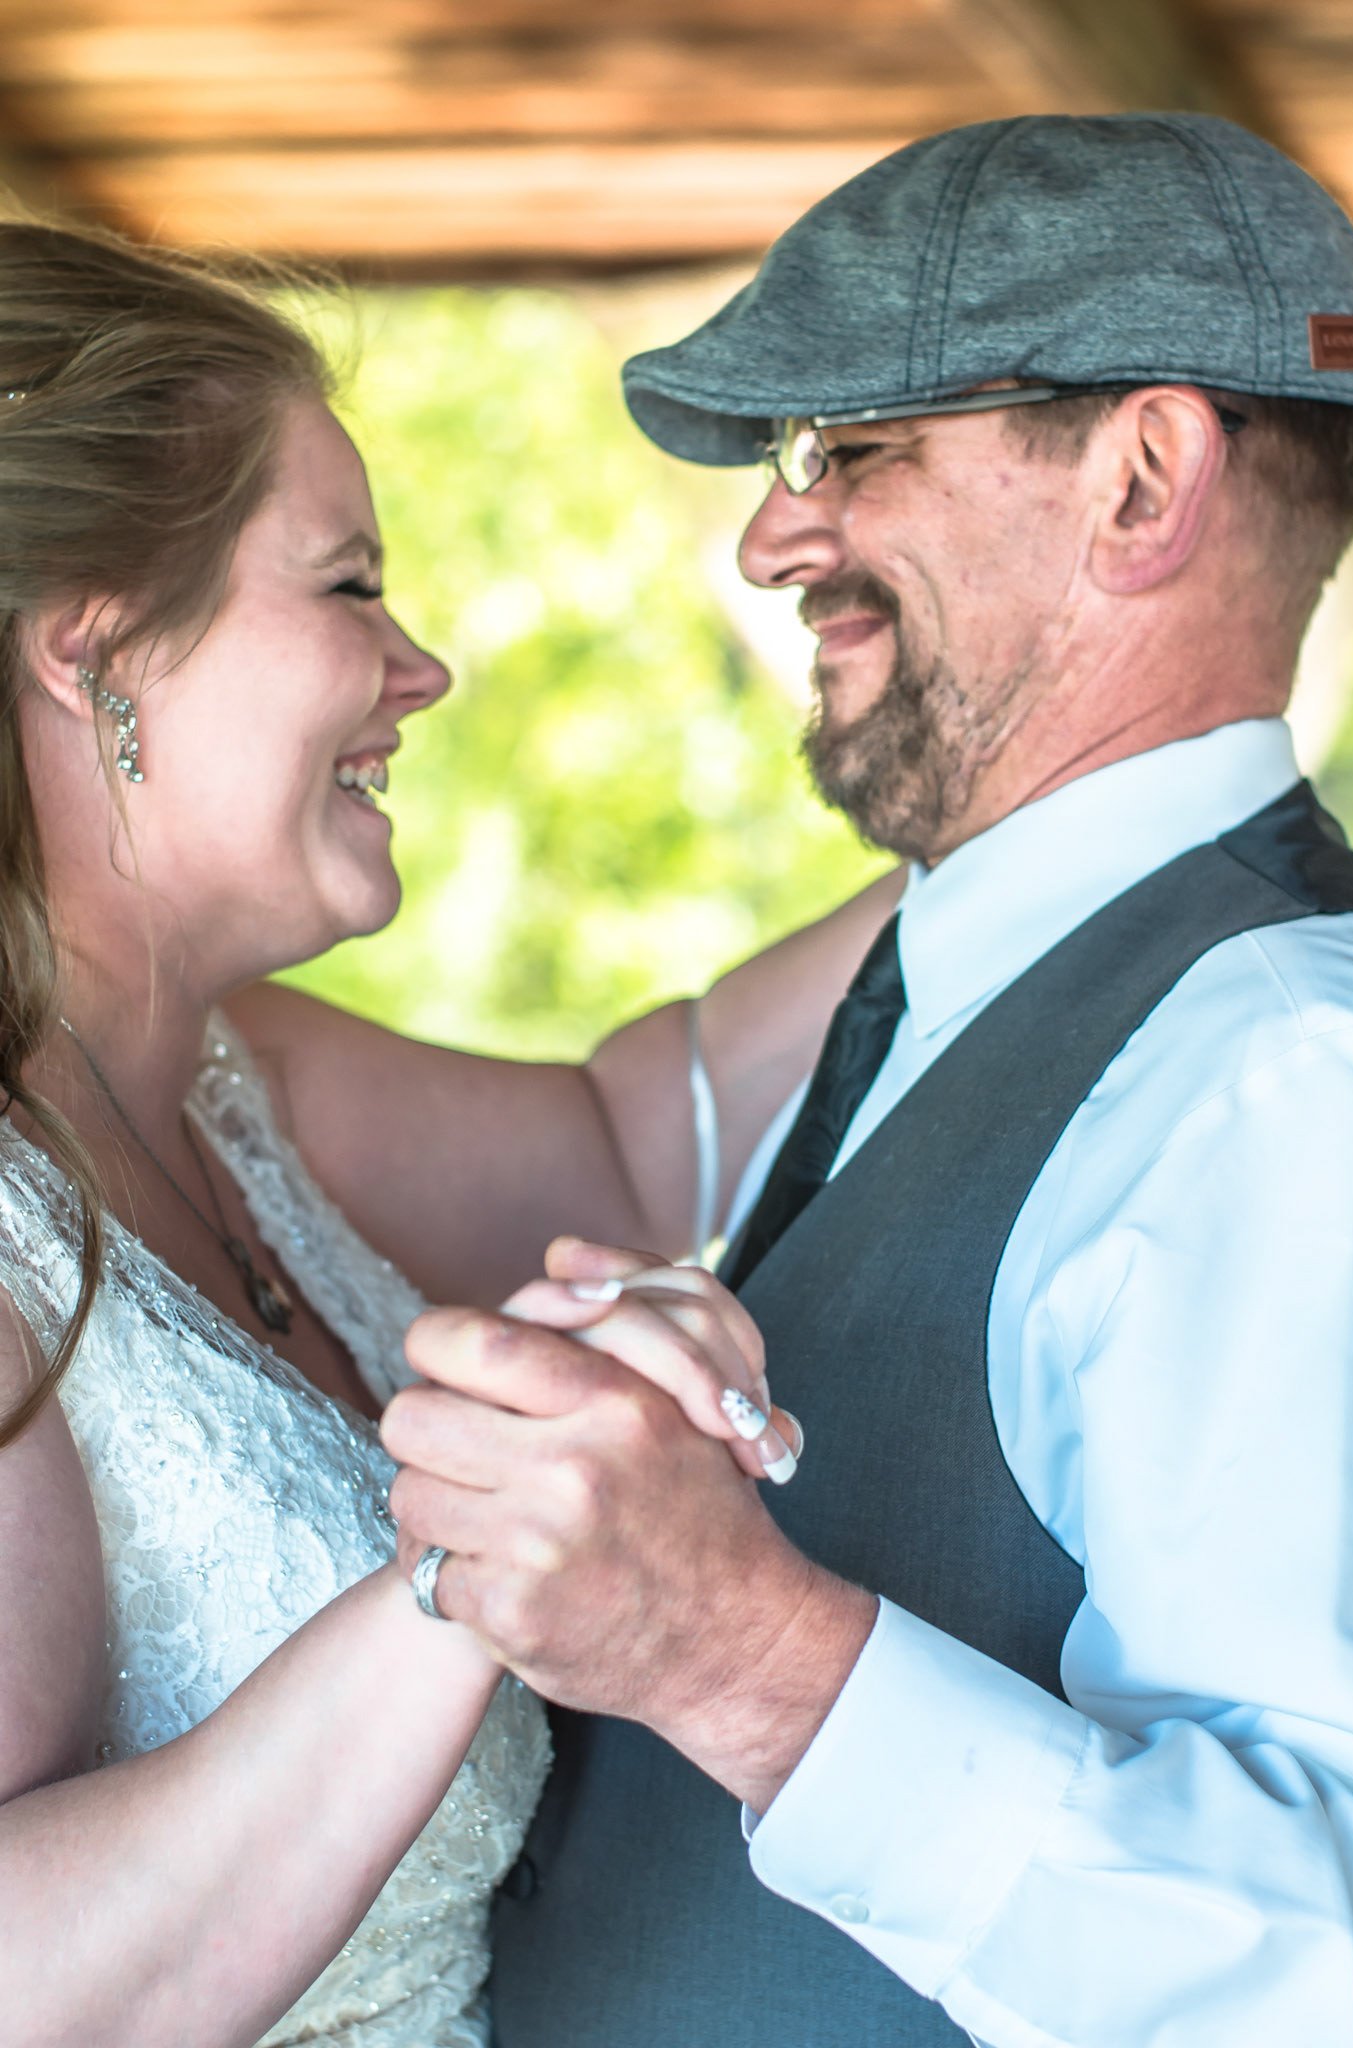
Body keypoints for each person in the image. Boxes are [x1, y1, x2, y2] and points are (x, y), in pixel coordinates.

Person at [383, 112, 1353, 2045]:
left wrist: (738, 1653)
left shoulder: (1289, 1075)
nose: (773, 537)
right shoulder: (957, 976)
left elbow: (1328, 1965)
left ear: (1141, 481)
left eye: (855, 449)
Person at [0, 211, 889, 2046]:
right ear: (97, 652)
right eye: (348, 588)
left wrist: (1053, 805)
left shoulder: (229, 1077)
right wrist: (475, 1560)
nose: (421, 670)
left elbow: (640, 1146)